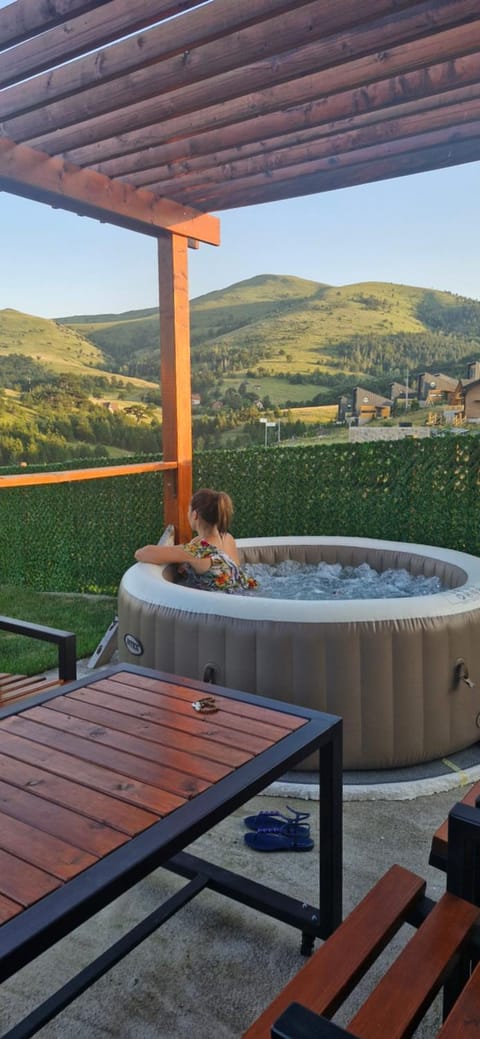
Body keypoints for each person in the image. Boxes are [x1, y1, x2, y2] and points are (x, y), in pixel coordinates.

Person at [135, 488, 257, 594]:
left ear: (195, 515)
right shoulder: (227, 538)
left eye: (188, 510)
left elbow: (142, 553)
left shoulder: (199, 550)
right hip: (245, 592)